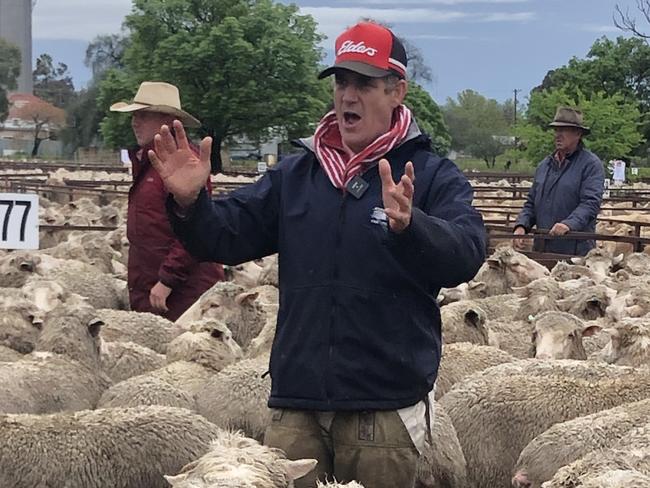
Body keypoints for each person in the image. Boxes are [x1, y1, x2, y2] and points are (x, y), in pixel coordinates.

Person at [149, 22, 486, 487]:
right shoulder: (298, 175)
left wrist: (412, 226)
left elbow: (467, 252)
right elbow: (225, 237)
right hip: (297, 405)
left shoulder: (428, 175)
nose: (348, 95)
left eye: (364, 83)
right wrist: (191, 204)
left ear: (397, 91)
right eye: (341, 82)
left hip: (382, 408)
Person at [110, 81, 224, 321]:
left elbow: (198, 227)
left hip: (184, 295)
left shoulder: (186, 165)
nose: (134, 122)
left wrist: (167, 279)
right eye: (134, 115)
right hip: (151, 288)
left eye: (142, 115)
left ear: (166, 119)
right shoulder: (148, 164)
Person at [513, 106, 604, 256]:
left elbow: (590, 202)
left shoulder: (590, 164)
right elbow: (531, 202)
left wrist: (569, 224)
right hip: (542, 247)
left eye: (564, 130)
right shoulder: (544, 165)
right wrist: (522, 225)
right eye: (556, 130)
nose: (558, 135)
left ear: (578, 134)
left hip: (574, 250)